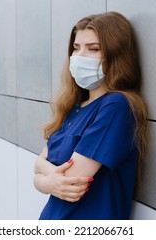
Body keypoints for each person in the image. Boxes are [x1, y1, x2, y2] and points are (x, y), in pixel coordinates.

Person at [33, 11, 149, 220]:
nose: (79, 57)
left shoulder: (116, 106)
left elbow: (71, 181)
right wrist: (43, 180)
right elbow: (50, 177)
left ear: (117, 55)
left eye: (93, 49)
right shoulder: (74, 106)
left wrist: (41, 175)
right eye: (76, 48)